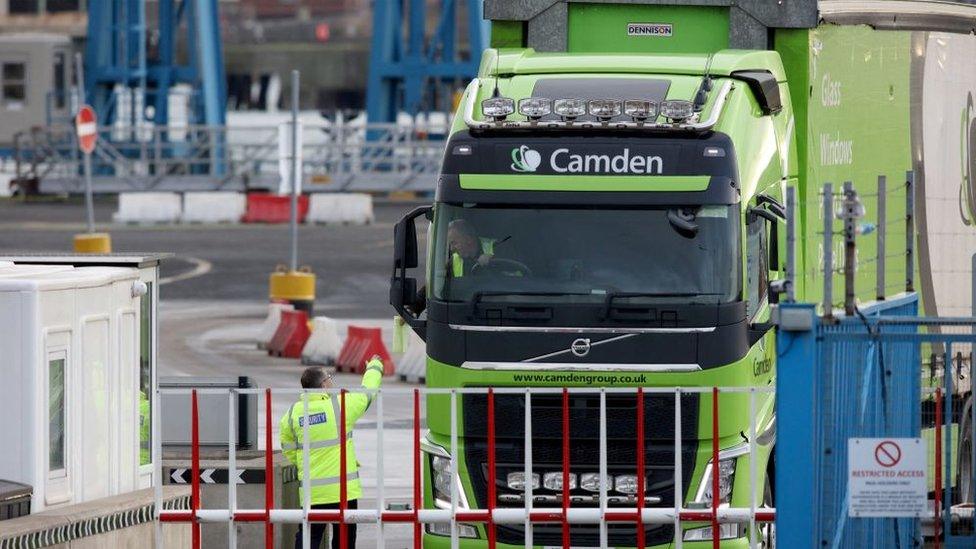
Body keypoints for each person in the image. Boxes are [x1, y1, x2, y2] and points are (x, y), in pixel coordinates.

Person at [280, 358, 384, 549]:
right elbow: (368, 393)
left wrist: (306, 464)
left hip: (313, 492)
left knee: (308, 537)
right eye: (329, 378)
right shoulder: (340, 405)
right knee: (344, 539)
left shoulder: (292, 413)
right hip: (343, 490)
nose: (332, 381)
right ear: (323, 385)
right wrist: (374, 367)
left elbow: (288, 449)